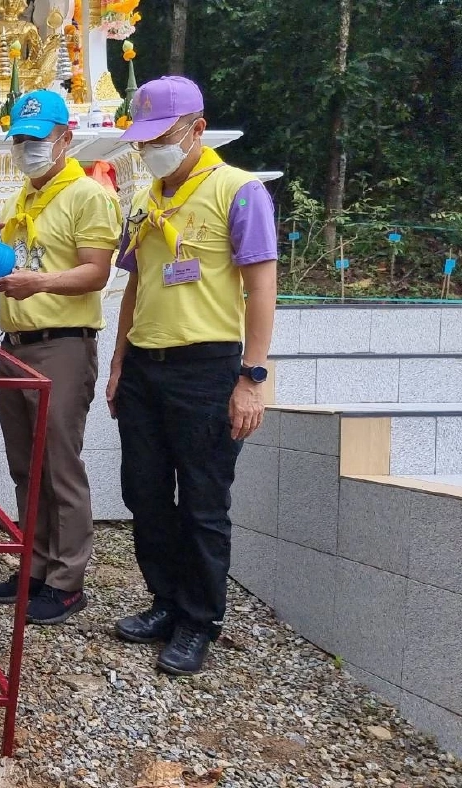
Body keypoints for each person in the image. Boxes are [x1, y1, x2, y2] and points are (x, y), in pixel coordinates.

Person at [106, 76, 277, 675]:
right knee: (146, 493)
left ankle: (198, 621)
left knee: (203, 502)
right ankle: (163, 601)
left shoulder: (239, 191)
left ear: (197, 130)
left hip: (206, 369)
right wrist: (120, 359)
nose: (151, 148)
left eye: (162, 136)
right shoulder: (146, 198)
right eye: (144, 138)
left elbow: (260, 286)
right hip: (144, 368)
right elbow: (135, 282)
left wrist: (251, 376)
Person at [0, 90, 119, 626]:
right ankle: (33, 565)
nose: (25, 148)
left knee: (59, 464)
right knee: (25, 465)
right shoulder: (22, 200)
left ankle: (66, 580)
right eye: (18, 139)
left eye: (36, 139)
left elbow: (96, 272)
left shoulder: (89, 195)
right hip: (14, 345)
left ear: (65, 138)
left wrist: (39, 282)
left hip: (61, 343)